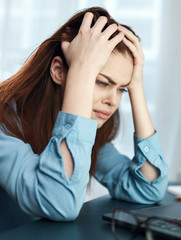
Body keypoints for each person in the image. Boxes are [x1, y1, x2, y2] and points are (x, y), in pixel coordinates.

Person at [0, 7, 168, 231]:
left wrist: (136, 86)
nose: (113, 101)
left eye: (122, 90)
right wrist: (82, 68)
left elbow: (149, 189)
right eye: (102, 82)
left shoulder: (87, 128)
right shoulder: (5, 121)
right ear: (59, 71)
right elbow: (60, 204)